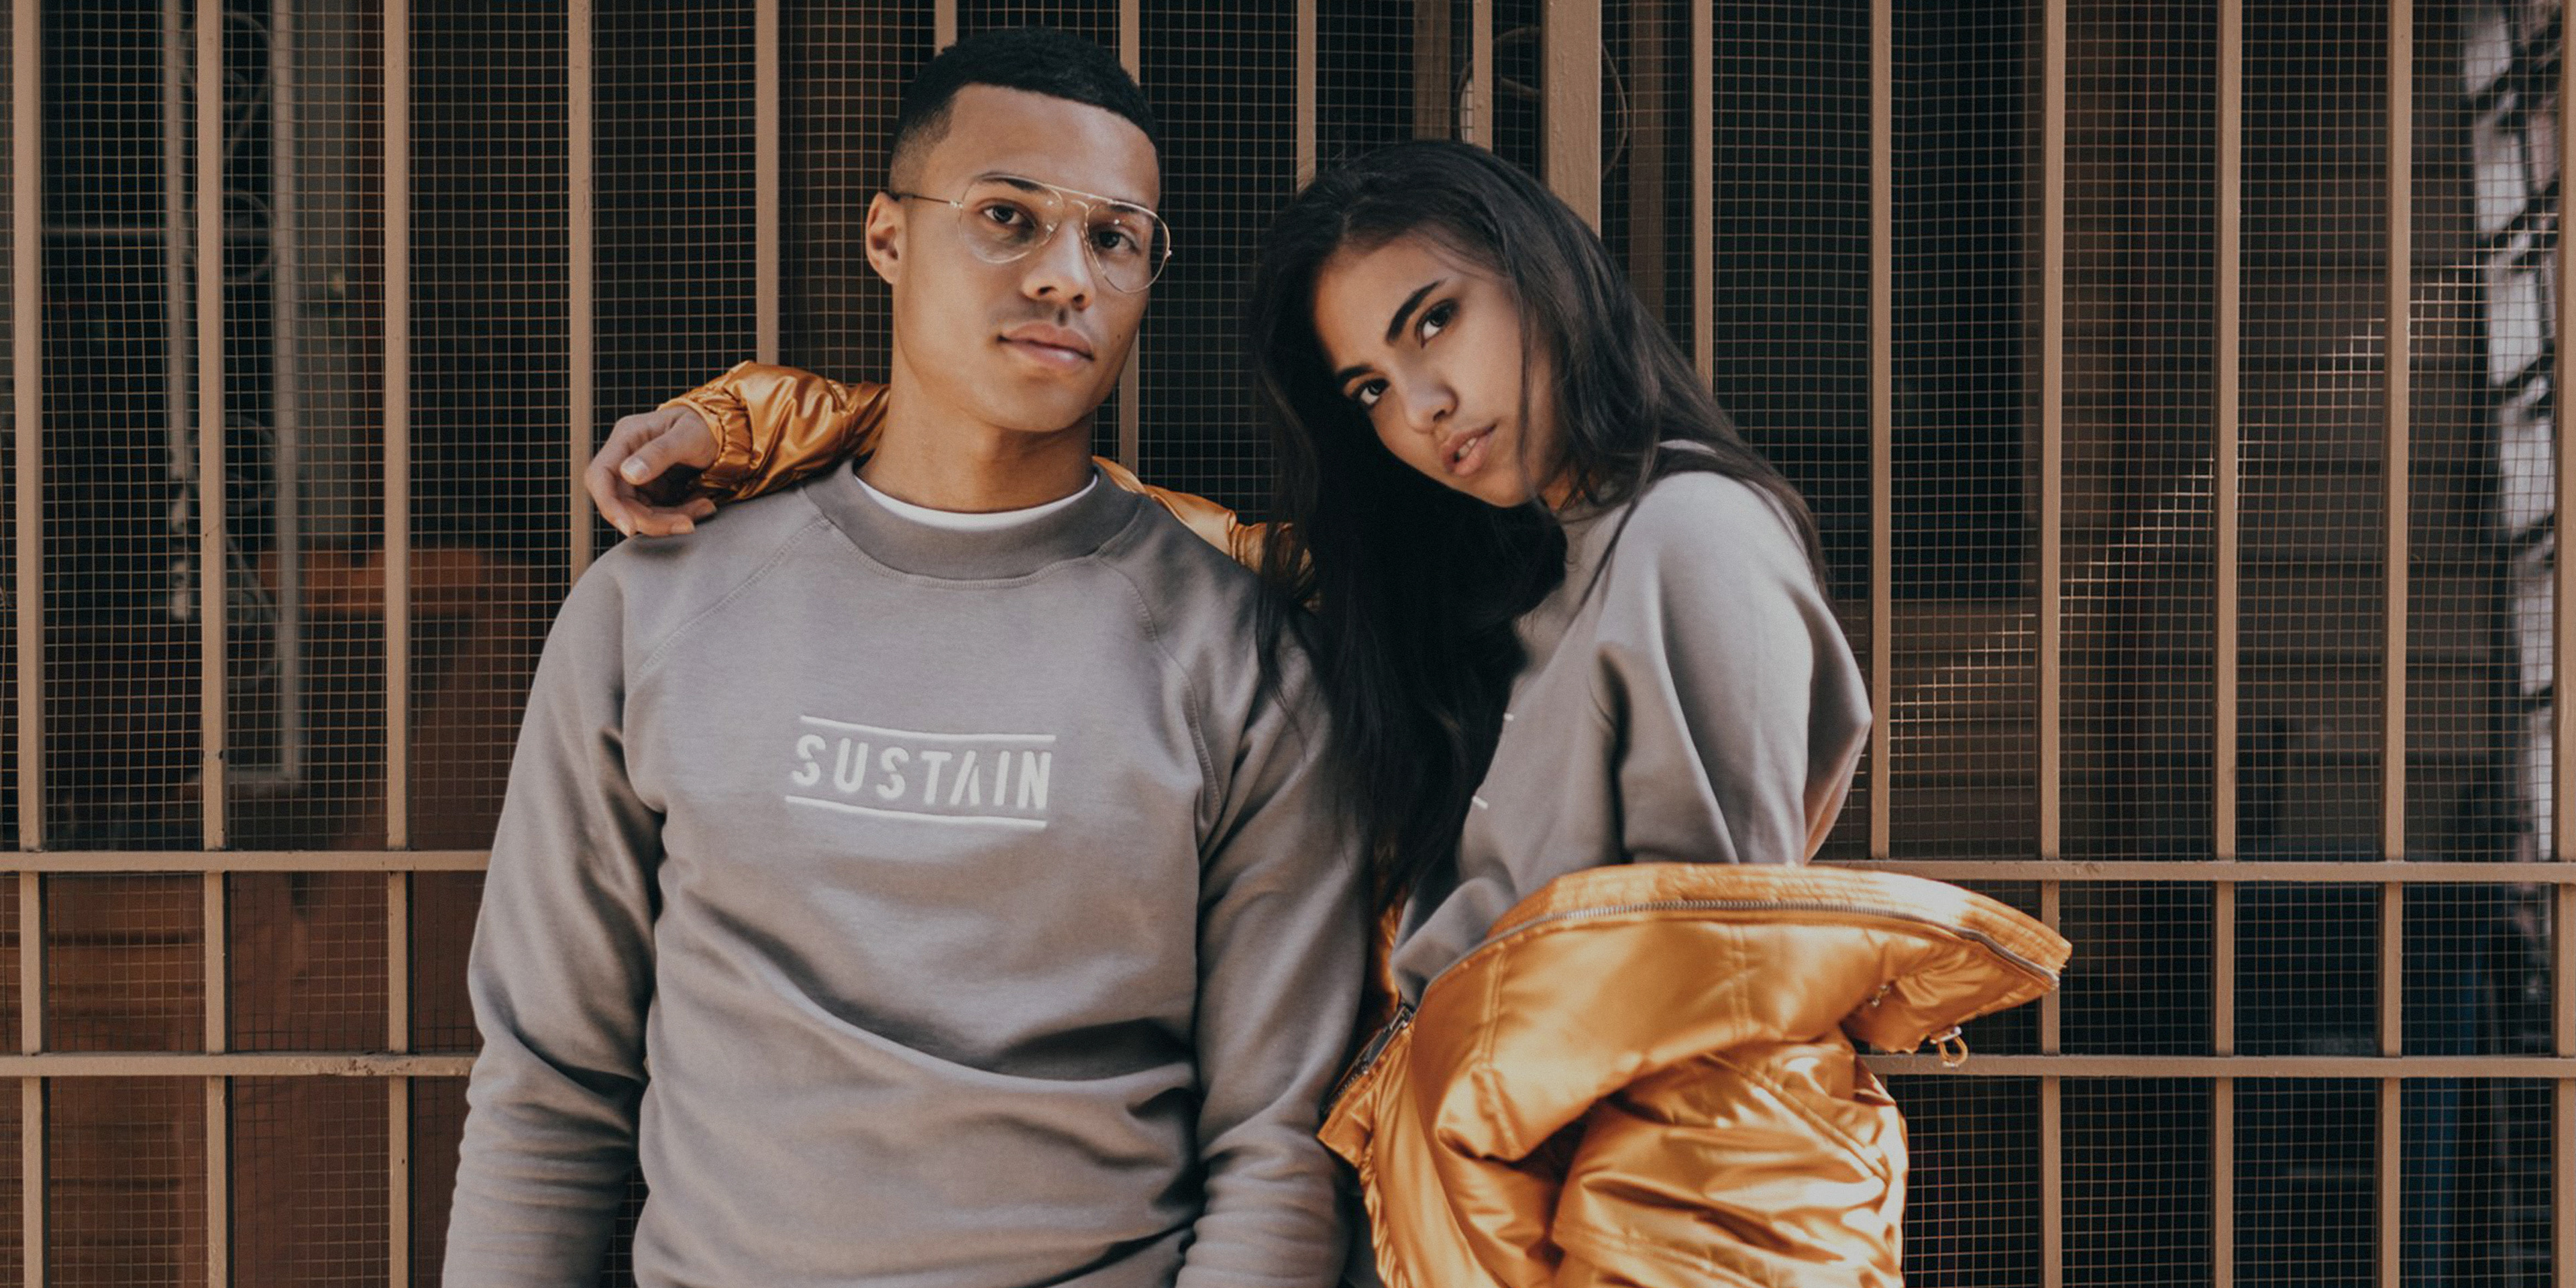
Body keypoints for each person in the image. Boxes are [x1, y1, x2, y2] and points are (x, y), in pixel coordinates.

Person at [596, 142, 2068, 1286]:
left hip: (1600, 1228)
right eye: (1370, 385)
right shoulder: (1513, 570)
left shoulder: (1689, 541)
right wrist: (766, 426)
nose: (1422, 405)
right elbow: (1119, 529)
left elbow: (1709, 1023)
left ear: (1545, 273)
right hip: (1449, 1204)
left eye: (1438, 322)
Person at [445, 28, 1364, 1288]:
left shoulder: (1238, 652)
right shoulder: (651, 609)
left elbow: (1276, 1152)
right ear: (887, 236)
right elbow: (547, 1085)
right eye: (1007, 216)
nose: (1066, 276)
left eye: (1115, 239)